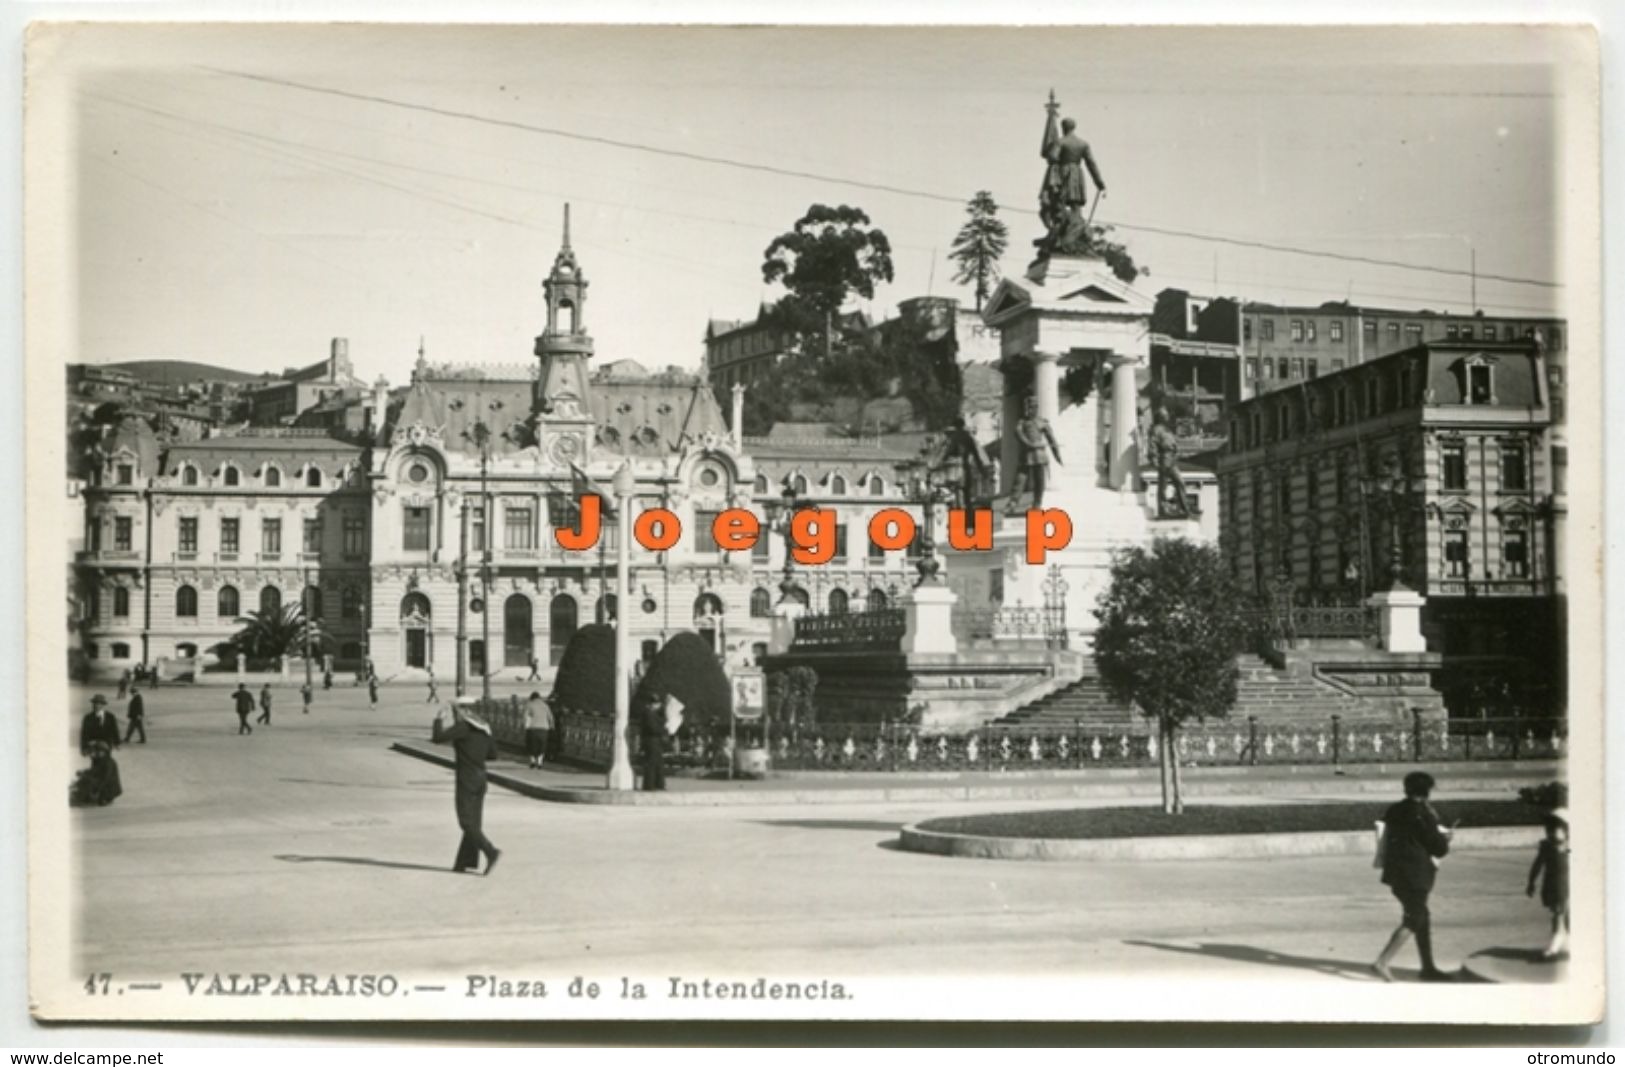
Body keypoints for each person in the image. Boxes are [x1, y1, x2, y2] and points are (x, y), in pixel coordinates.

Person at [1373, 770, 1454, 982]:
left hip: (1396, 874)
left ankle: (1428, 968)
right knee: (1415, 919)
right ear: (1427, 791)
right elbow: (1438, 849)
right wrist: (1446, 838)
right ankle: (1382, 962)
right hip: (1415, 875)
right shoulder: (1423, 814)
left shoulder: (1395, 809)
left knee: (1422, 918)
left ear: (1406, 789)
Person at [432, 699, 501, 875]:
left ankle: (491, 851)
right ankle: (464, 861)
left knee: (466, 821)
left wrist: (439, 719)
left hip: (466, 779)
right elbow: (493, 755)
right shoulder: (484, 728)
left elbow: (438, 738)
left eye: (456, 711)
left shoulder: (464, 728)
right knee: (474, 822)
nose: (455, 714)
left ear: (461, 711)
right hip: (481, 779)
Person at [1007, 395, 1063, 513]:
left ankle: (1037, 504)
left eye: (1031, 407)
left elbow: (1052, 440)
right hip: (1027, 455)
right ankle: (1013, 502)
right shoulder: (1022, 422)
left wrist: (1057, 455)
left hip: (1039, 456)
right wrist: (1029, 444)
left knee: (1040, 481)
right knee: (1020, 479)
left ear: (1036, 408)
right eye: (1028, 407)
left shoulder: (1042, 422)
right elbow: (1018, 434)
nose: (1029, 410)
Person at [1527, 809, 1571, 960]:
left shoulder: (1570, 847)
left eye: (1556, 827)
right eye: (1548, 828)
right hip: (1555, 886)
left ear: (1567, 829)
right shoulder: (1546, 847)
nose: (1550, 831)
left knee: (1568, 916)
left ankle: (1564, 942)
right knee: (1558, 915)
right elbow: (1537, 865)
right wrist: (1531, 882)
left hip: (1570, 886)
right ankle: (1556, 943)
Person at [637, 687, 669, 792]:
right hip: (651, 740)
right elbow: (653, 728)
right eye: (657, 703)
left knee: (658, 762)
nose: (658, 705)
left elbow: (660, 723)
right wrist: (663, 728)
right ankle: (649, 785)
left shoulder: (653, 714)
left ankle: (658, 784)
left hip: (655, 740)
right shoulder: (648, 713)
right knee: (651, 762)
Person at [523, 692, 552, 770]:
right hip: (544, 729)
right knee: (542, 746)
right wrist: (551, 726)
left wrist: (525, 727)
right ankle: (539, 762)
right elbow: (550, 718)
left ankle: (532, 761)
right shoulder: (545, 706)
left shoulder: (529, 705)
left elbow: (526, 717)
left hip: (533, 729)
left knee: (531, 745)